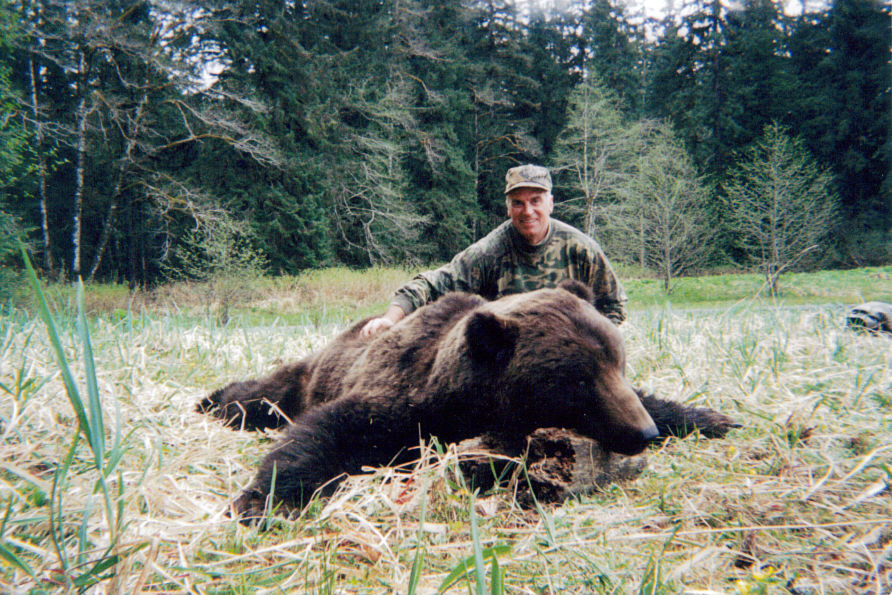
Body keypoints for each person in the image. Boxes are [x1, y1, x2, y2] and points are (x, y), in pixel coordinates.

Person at [360, 164, 627, 337]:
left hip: (568, 350)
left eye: (536, 200)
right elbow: (430, 284)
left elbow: (614, 305)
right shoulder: (490, 252)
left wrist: (588, 342)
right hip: (510, 356)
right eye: (518, 203)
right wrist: (390, 319)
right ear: (508, 208)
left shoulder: (581, 250)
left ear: (551, 203)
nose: (528, 211)